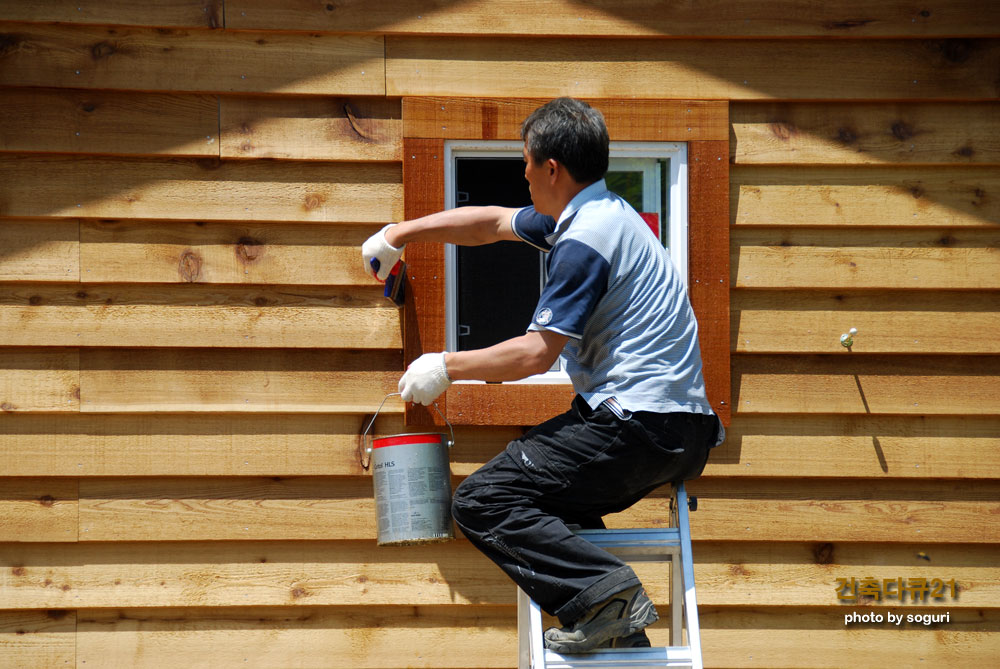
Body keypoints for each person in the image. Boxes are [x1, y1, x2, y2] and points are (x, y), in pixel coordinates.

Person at [362, 97, 724, 652]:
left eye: (526, 161)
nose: (523, 173)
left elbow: (536, 354)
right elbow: (490, 223)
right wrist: (399, 233)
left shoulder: (585, 240)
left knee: (483, 501)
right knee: (551, 506)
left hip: (637, 424)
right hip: (679, 429)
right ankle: (617, 631)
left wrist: (445, 366)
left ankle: (609, 597)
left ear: (551, 168)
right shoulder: (598, 213)